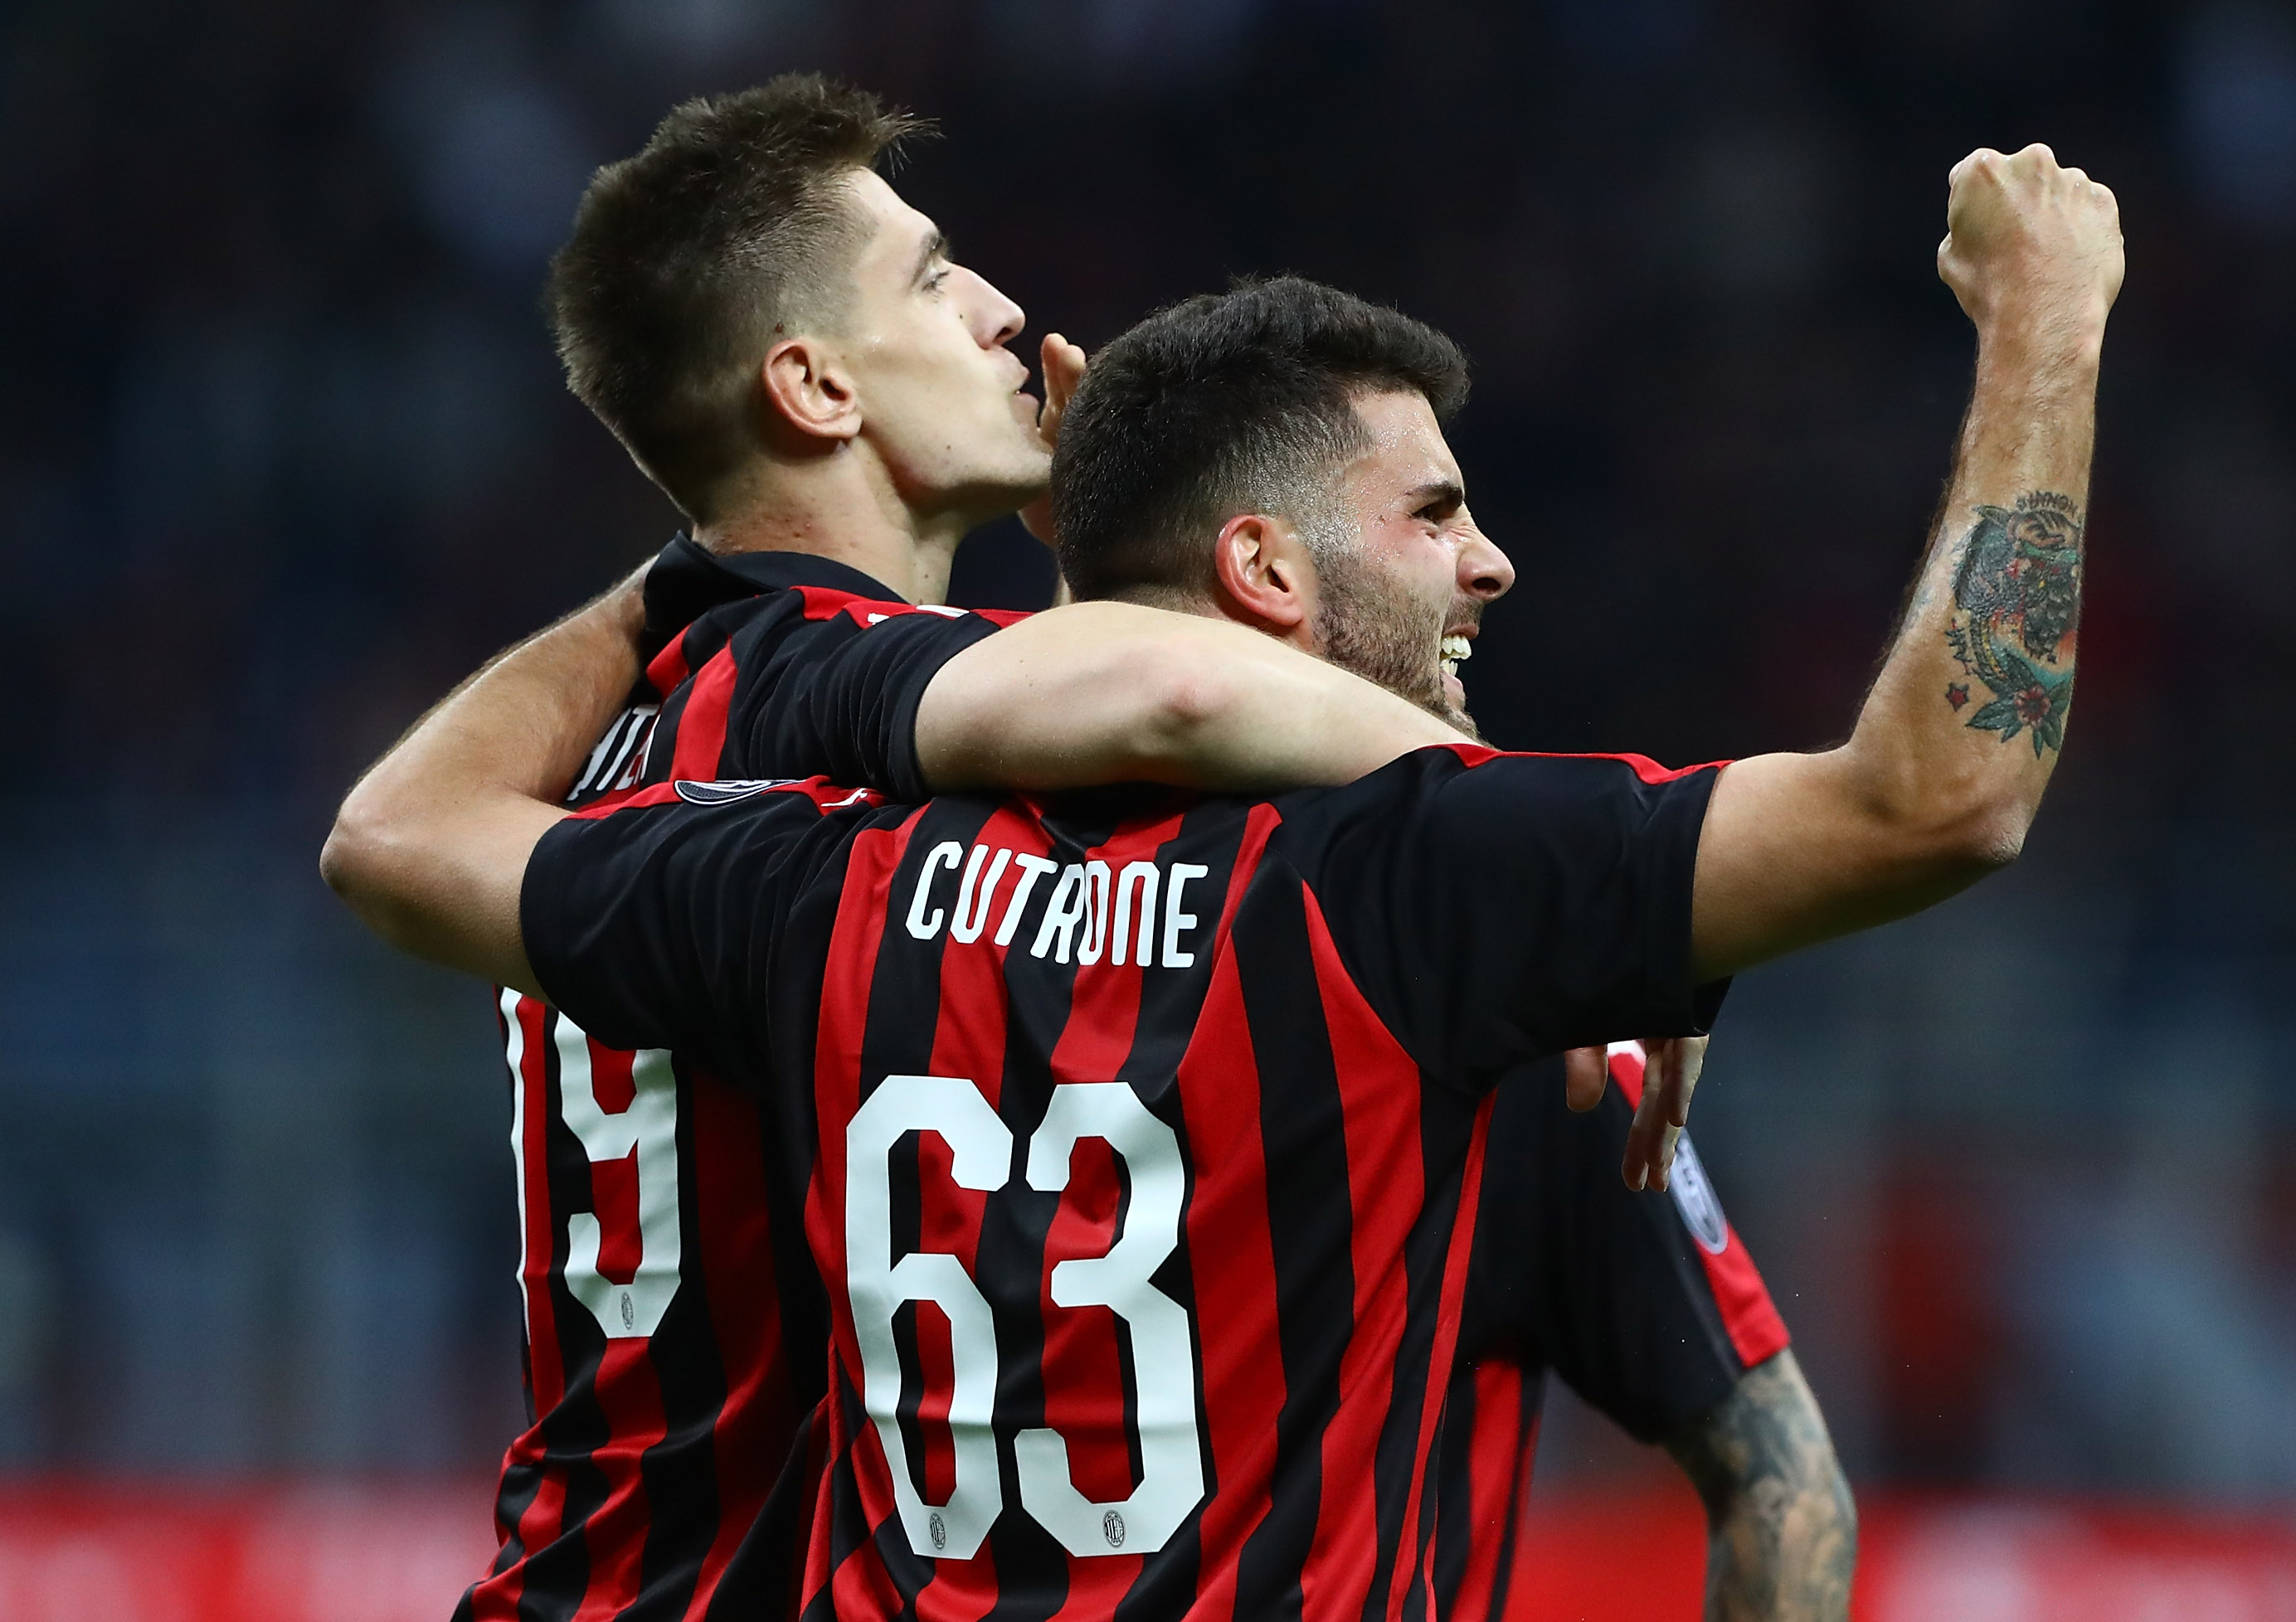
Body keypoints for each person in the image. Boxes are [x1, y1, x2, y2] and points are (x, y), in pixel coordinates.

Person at [327, 143, 2122, 1620]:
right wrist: (2048, 314)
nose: (1489, 565)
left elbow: (393, 841)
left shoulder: (785, 851)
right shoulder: (1412, 896)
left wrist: (668, 587)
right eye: (1431, 514)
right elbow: (1936, 802)